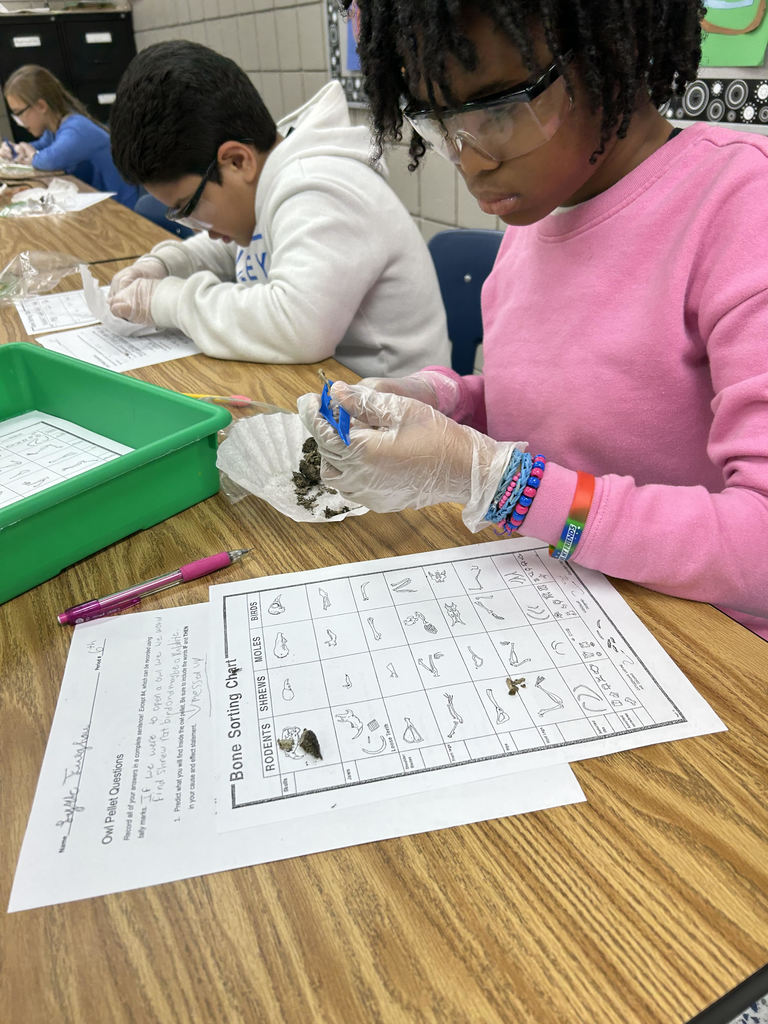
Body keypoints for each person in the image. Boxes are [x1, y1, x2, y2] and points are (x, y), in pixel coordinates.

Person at [297, 0, 768, 640]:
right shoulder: (539, 212)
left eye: (496, 111)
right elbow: (564, 401)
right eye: (439, 123)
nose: (470, 160)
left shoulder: (741, 207)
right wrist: (446, 402)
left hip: (705, 648)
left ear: (612, 49)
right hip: (553, 604)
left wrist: (504, 484)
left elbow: (759, 549)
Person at [106, 41, 450, 378]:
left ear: (237, 161)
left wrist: (168, 301)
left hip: (395, 414)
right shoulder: (267, 180)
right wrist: (165, 264)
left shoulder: (319, 189)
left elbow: (298, 326)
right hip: (330, 389)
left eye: (188, 208)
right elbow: (237, 247)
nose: (199, 227)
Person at [1, 65, 139, 209]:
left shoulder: (77, 129)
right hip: (100, 204)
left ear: (41, 106)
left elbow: (48, 160)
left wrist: (30, 154)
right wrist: (15, 149)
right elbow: (39, 146)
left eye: (19, 113)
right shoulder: (54, 129)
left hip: (122, 208)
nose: (19, 121)